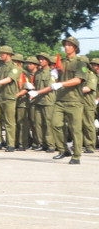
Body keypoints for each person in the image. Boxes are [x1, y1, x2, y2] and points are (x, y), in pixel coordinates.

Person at [51, 36, 86, 164]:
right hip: (60, 100)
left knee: (75, 129)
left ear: (75, 48)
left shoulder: (80, 63)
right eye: (65, 45)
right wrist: (55, 76)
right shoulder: (62, 62)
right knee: (55, 124)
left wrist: (61, 84)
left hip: (74, 101)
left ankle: (76, 156)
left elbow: (78, 80)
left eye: (69, 45)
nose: (66, 47)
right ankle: (63, 149)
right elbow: (57, 81)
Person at [0, 45, 20, 151]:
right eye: (0, 53)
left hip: (8, 97)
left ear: (9, 54)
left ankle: (11, 144)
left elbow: (9, 79)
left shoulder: (14, 67)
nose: (1, 55)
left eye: (3, 53)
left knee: (9, 122)